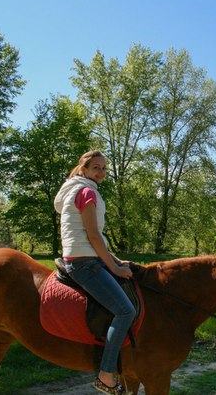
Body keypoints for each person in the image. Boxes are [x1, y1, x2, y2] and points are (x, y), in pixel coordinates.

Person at [54, 150, 134, 395]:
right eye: (96, 167)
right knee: (125, 310)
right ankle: (106, 374)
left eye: (103, 168)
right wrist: (115, 268)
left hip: (85, 257)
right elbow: (92, 235)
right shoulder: (87, 192)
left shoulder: (77, 189)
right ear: (85, 169)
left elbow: (94, 240)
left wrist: (115, 258)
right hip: (84, 264)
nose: (101, 172)